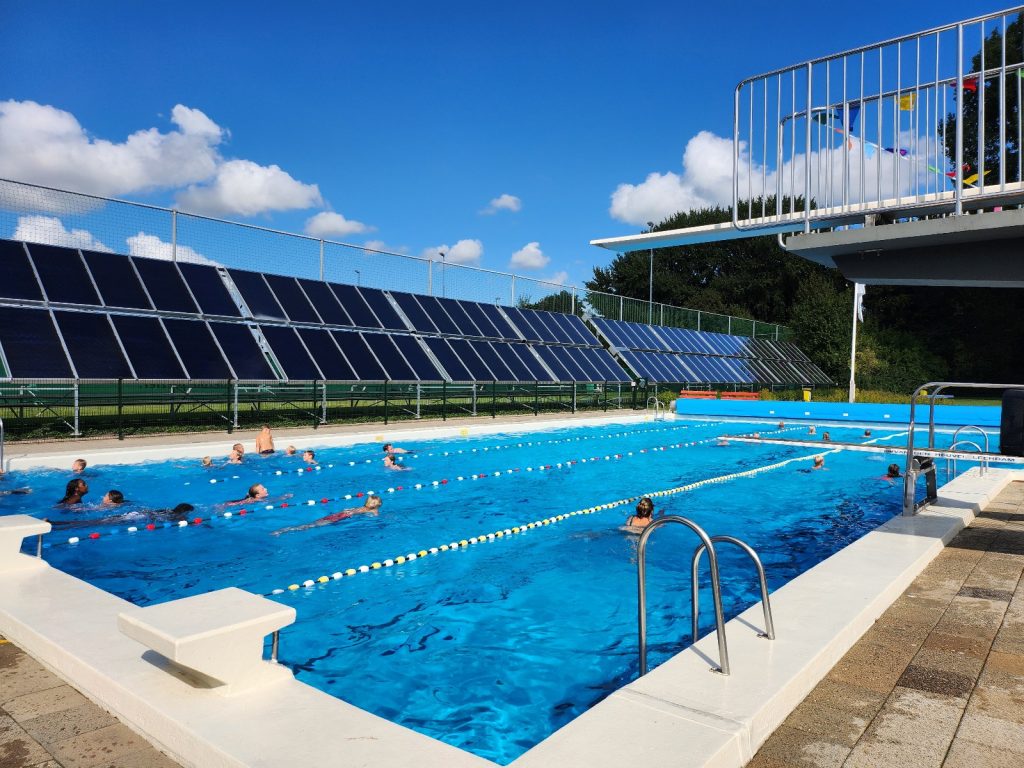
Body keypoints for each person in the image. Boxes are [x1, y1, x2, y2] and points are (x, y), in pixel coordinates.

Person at [271, 496, 382, 536]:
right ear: (377, 505)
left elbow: (350, 511)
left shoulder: (362, 507)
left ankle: (284, 530)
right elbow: (376, 519)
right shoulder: (374, 511)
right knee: (311, 526)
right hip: (341, 517)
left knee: (313, 524)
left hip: (340, 514)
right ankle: (283, 531)